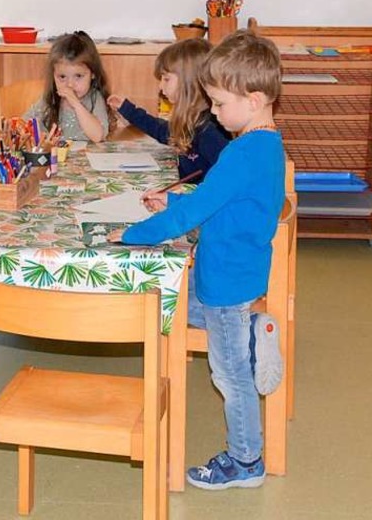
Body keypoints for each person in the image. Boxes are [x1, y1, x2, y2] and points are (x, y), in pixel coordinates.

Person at [109, 30, 286, 491]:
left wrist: (132, 235)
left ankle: (246, 461)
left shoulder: (242, 153)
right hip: (237, 269)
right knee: (177, 312)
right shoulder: (265, 144)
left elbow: (198, 208)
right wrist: (180, 206)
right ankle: (255, 332)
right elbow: (219, 201)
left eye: (219, 103)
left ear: (254, 99)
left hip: (225, 280)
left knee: (230, 377)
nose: (212, 111)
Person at [107, 38, 229, 182]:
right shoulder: (191, 119)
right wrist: (128, 110)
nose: (160, 86)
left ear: (189, 82)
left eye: (166, 79)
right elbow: (162, 131)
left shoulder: (210, 132)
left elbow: (226, 180)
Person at [24, 31, 111, 143]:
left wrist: (76, 104)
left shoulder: (94, 98)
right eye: (62, 77)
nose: (70, 84)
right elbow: (25, 123)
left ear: (93, 73)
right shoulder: (50, 99)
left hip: (89, 158)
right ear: (53, 75)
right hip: (56, 158)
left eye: (78, 76)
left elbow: (98, 136)